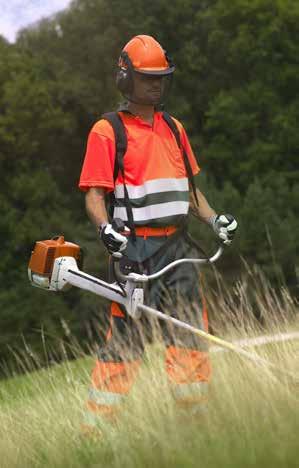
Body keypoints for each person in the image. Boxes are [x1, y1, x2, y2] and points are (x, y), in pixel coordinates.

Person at [79, 35, 238, 432]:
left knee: (189, 334)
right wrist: (106, 231)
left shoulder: (174, 127)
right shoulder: (107, 130)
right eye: (147, 77)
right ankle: (94, 433)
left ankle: (195, 424)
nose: (156, 84)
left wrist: (215, 220)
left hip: (178, 247)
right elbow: (94, 196)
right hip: (135, 252)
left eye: (161, 77)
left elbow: (190, 191)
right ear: (125, 78)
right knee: (126, 344)